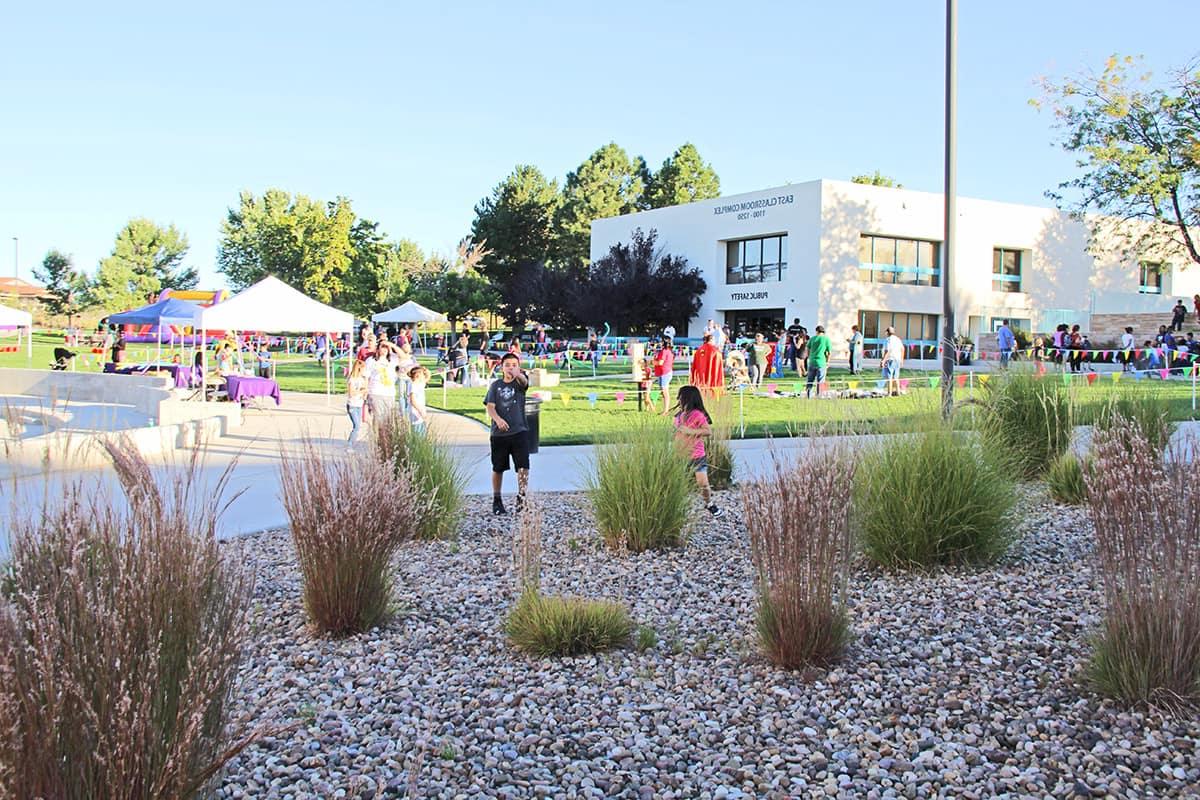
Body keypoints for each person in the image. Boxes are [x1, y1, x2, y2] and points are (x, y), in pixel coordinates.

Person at [484, 353, 530, 515]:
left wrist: (519, 375)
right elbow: (490, 406)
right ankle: (497, 500)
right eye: (507, 365)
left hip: (519, 431)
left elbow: (524, 383)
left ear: (519, 366)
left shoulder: (520, 384)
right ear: (501, 367)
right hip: (499, 434)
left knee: (523, 466)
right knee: (498, 467)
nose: (511, 367)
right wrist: (497, 419)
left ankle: (522, 496)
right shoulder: (495, 385)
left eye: (514, 364)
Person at [673, 385, 723, 518]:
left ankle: (709, 503)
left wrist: (691, 431)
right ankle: (676, 506)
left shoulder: (697, 415)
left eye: (681, 397)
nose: (678, 399)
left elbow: (708, 431)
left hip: (696, 455)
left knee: (703, 483)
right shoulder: (678, 415)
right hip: (680, 455)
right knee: (677, 482)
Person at [804, 325, 832, 398]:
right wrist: (827, 362)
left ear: (817, 331)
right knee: (820, 381)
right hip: (821, 362)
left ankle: (808, 395)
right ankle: (819, 396)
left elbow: (807, 347)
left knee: (810, 380)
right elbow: (829, 352)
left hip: (812, 361)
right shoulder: (826, 339)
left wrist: (808, 356)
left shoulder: (812, 338)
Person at [345, 359, 368, 443]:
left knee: (359, 425)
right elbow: (351, 393)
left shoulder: (362, 379)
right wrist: (361, 391)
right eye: (363, 369)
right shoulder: (352, 379)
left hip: (359, 404)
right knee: (356, 426)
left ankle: (353, 441)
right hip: (352, 405)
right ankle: (350, 444)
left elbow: (365, 389)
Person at [652, 339, 676, 413]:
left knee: (665, 392)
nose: (660, 343)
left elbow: (660, 363)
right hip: (664, 373)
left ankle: (665, 411)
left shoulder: (664, 351)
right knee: (664, 392)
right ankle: (665, 409)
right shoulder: (668, 351)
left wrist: (651, 362)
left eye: (661, 342)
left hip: (665, 373)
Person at [882, 326, 904, 396]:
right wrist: (902, 360)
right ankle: (898, 392)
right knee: (896, 377)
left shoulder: (888, 339)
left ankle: (889, 393)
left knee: (889, 377)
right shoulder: (898, 339)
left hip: (890, 359)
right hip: (897, 360)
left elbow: (888, 350)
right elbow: (903, 349)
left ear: (887, 333)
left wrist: (883, 360)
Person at [407, 365, 430, 433]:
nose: (424, 376)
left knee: (422, 429)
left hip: (421, 410)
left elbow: (428, 377)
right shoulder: (412, 385)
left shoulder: (420, 384)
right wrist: (420, 410)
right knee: (417, 430)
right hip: (415, 410)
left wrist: (425, 370)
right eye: (423, 375)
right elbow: (412, 400)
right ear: (418, 376)